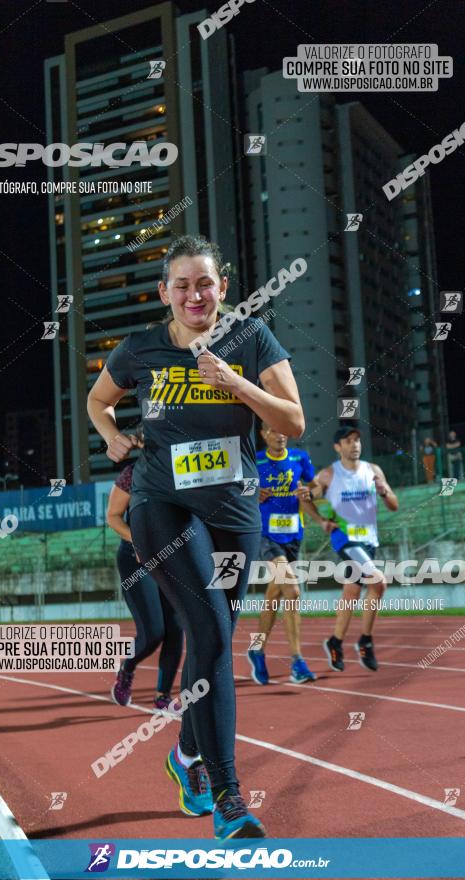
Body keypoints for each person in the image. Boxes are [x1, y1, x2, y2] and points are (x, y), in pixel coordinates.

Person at [87, 234, 305, 839]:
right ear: (164, 293)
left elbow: (293, 419)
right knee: (208, 630)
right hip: (163, 505)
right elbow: (98, 399)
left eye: (204, 283)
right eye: (181, 285)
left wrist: (237, 383)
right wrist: (108, 435)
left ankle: (183, 754)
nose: (194, 294)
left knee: (215, 641)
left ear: (223, 289)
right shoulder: (141, 349)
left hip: (234, 513)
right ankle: (229, 796)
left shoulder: (252, 339)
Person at [301, 426, 398, 673]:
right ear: (337, 447)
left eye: (357, 440)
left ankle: (335, 642)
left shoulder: (373, 471)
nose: (354, 445)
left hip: (369, 541)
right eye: (348, 441)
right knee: (379, 583)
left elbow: (394, 505)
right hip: (345, 540)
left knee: (351, 594)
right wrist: (321, 520)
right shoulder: (328, 476)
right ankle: (365, 641)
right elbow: (305, 499)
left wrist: (384, 491)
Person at [107, 424, 184, 711]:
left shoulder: (182, 473)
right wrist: (139, 541)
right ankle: (127, 668)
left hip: (173, 558)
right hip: (136, 558)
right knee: (153, 632)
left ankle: (163, 696)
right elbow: (114, 517)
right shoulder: (132, 475)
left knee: (176, 630)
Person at [246, 424, 316, 685]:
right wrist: (252, 492)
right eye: (275, 430)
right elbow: (234, 491)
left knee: (273, 596)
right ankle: (297, 661)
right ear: (264, 433)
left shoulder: (300, 458)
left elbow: (316, 486)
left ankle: (257, 649)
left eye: (284, 430)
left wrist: (311, 492)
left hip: (294, 535)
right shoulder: (254, 460)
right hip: (265, 535)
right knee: (292, 590)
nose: (281, 434)